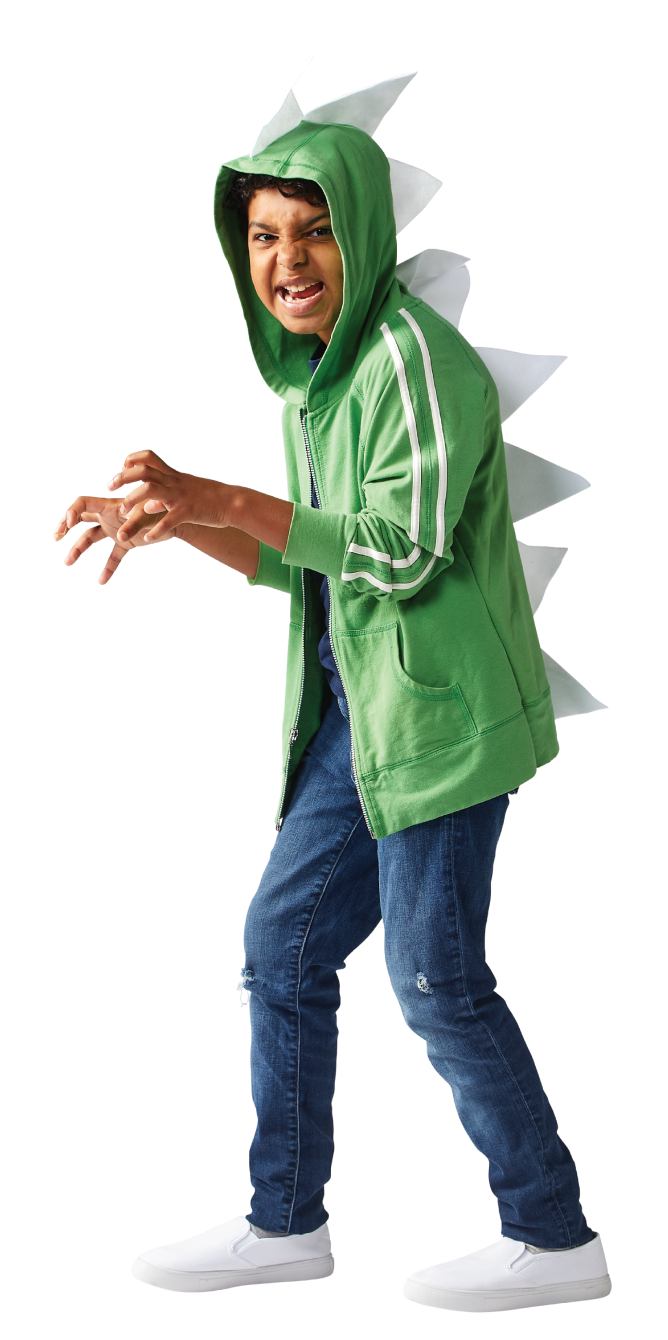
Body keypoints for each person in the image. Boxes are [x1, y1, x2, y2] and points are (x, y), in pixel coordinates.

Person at [54, 65, 611, 1311]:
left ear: (359, 231)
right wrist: (183, 524)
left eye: (311, 229)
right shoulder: (317, 378)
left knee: (433, 976)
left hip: (443, 719)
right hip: (363, 708)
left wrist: (220, 494)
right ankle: (284, 1220)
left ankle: (553, 1235)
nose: (287, 260)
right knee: (280, 946)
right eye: (262, 236)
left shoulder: (411, 360)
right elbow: (307, 565)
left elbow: (398, 552)